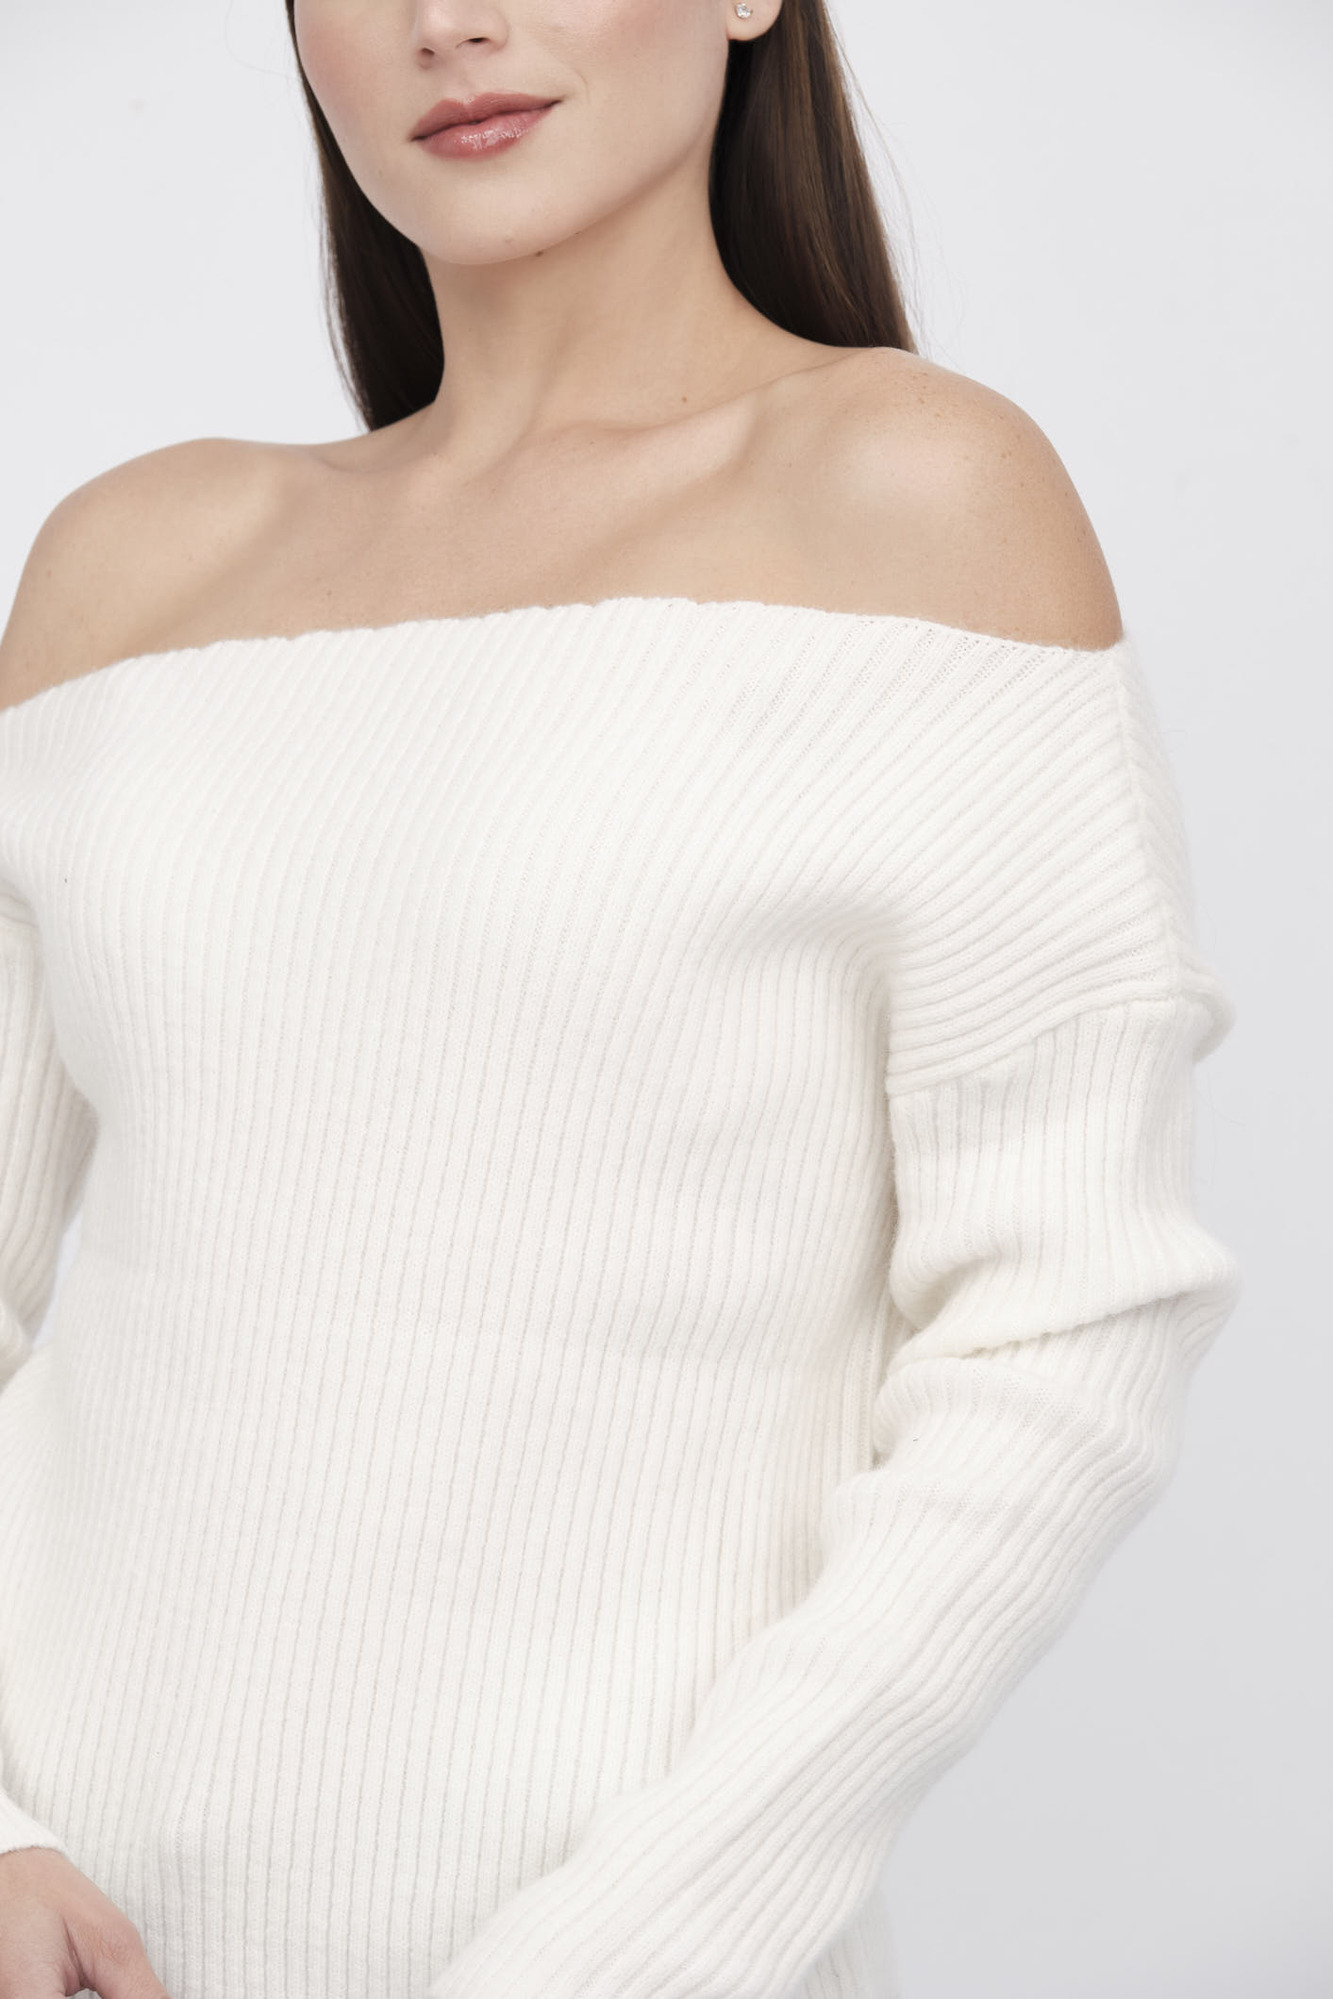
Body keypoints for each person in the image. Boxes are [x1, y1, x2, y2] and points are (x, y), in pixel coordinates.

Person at [0, 2, 1241, 1996]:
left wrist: (630, 1953)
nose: (448, 22)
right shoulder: (129, 568)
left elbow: (1063, 1334)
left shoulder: (916, 500)